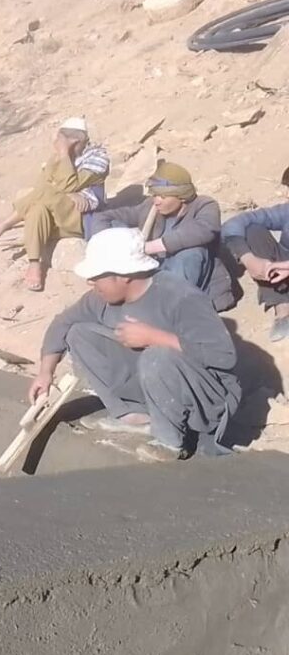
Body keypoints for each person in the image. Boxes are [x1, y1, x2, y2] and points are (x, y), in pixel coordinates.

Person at [31, 228, 241, 462]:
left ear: (124, 275)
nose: (91, 282)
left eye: (97, 276)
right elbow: (62, 323)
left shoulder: (180, 296)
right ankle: (135, 415)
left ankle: (170, 442)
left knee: (157, 356)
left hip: (206, 399)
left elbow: (222, 355)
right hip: (157, 383)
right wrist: (45, 373)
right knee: (78, 334)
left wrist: (154, 337)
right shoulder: (100, 299)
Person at [0, 117, 110, 291]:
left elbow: (66, 185)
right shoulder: (58, 157)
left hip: (80, 217)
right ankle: (34, 263)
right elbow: (46, 183)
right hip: (57, 217)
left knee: (46, 193)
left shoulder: (97, 158)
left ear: (77, 142)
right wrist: (66, 189)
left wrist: (64, 156)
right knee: (37, 208)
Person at [90, 161, 235, 311]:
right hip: (156, 272)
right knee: (116, 229)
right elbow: (104, 217)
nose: (156, 201)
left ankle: (171, 308)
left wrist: (150, 247)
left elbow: (205, 230)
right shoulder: (150, 206)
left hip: (192, 281)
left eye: (163, 196)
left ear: (182, 196)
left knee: (190, 253)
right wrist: (106, 243)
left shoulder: (204, 205)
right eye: (155, 195)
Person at [222, 200, 289, 341]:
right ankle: (282, 306)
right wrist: (248, 259)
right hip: (282, 273)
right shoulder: (286, 211)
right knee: (252, 230)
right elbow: (232, 225)